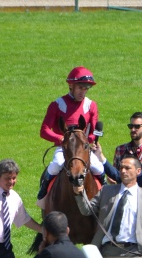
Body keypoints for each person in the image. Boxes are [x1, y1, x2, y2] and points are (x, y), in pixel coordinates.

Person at [38, 66, 105, 200]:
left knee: (99, 168)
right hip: (64, 147)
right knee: (56, 165)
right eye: (80, 88)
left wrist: (87, 141)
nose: (83, 92)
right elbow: (44, 130)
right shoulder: (57, 104)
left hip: (82, 149)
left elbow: (93, 133)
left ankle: (105, 195)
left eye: (86, 89)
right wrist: (61, 139)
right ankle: (43, 195)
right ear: (71, 86)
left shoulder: (91, 105)